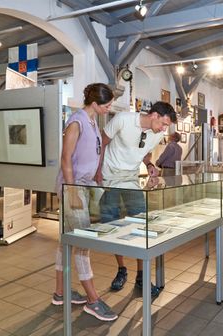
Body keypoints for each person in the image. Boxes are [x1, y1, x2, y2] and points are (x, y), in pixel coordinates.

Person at [95, 101, 177, 296]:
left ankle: (141, 276)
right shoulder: (123, 120)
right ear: (154, 115)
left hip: (131, 180)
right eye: (164, 124)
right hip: (110, 179)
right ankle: (121, 269)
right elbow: (101, 143)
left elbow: (145, 152)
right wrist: (97, 171)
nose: (164, 129)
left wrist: (149, 164)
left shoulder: (156, 135)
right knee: (114, 226)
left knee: (142, 226)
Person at [53, 83, 117, 322]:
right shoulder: (76, 121)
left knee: (65, 242)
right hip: (73, 187)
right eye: (107, 105)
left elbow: (95, 154)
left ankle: (60, 293)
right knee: (82, 243)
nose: (109, 108)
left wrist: (98, 178)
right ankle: (92, 300)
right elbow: (65, 159)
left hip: (85, 186)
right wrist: (70, 192)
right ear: (94, 104)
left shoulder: (93, 122)